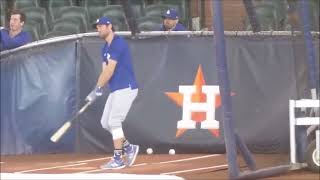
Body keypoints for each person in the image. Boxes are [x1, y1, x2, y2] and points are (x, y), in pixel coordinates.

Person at [86, 16, 139, 170]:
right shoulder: (105, 48)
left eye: (101, 26)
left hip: (126, 88)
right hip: (116, 89)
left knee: (114, 121)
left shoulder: (118, 43)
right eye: (97, 27)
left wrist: (97, 88)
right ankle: (129, 148)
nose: (98, 29)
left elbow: (110, 70)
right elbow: (104, 72)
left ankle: (118, 158)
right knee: (105, 123)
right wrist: (98, 89)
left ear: (109, 26)